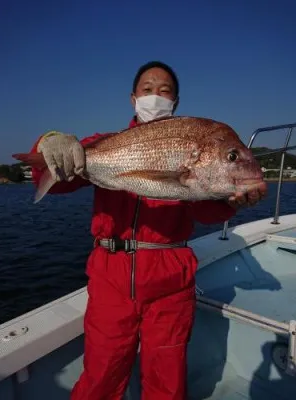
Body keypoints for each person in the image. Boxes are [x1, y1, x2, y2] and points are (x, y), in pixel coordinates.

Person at [29, 61, 265, 400]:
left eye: (165, 91)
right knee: (101, 375)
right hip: (111, 272)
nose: (155, 97)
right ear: (133, 98)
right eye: (148, 89)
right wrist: (49, 142)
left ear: (176, 102)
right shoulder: (103, 143)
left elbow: (207, 211)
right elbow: (56, 179)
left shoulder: (194, 147)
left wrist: (233, 202)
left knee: (166, 380)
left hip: (172, 275)